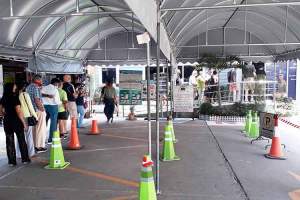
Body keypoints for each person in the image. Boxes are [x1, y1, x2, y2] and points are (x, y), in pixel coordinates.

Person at [0, 83, 30, 166]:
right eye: (14, 86)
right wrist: (24, 123)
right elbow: (19, 111)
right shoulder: (15, 97)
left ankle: (11, 161)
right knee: (21, 140)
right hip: (16, 121)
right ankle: (25, 159)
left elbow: (0, 111)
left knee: (9, 141)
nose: (15, 87)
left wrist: (4, 114)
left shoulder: (3, 98)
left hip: (7, 121)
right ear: (11, 88)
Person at [16, 82, 37, 158]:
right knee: (29, 135)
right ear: (24, 87)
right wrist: (35, 116)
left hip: (17, 117)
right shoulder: (25, 95)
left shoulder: (15, 95)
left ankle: (18, 154)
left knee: (19, 135)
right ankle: (31, 153)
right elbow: (30, 107)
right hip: (26, 116)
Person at [26, 75, 47, 153]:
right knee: (40, 128)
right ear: (38, 80)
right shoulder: (35, 87)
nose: (42, 82)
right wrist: (42, 109)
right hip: (38, 110)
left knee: (34, 129)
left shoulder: (28, 87)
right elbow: (37, 100)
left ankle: (35, 145)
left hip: (31, 111)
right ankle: (39, 146)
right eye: (41, 80)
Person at [41, 78, 61, 144]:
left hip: (44, 106)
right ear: (55, 83)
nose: (58, 85)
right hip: (53, 106)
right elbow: (56, 101)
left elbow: (40, 95)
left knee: (44, 122)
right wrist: (60, 103)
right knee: (53, 123)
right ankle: (51, 139)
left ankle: (42, 139)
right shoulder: (55, 89)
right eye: (58, 84)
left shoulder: (44, 87)